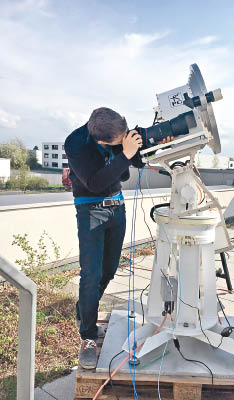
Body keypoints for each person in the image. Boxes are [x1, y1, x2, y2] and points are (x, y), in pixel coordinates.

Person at [64, 107, 144, 369]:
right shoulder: (75, 144)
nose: (123, 141)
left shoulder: (117, 134)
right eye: (117, 141)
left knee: (108, 271)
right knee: (90, 275)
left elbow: (123, 172)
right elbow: (96, 183)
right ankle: (88, 336)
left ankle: (83, 310)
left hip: (117, 208)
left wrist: (138, 150)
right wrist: (126, 155)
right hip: (91, 211)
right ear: (101, 140)